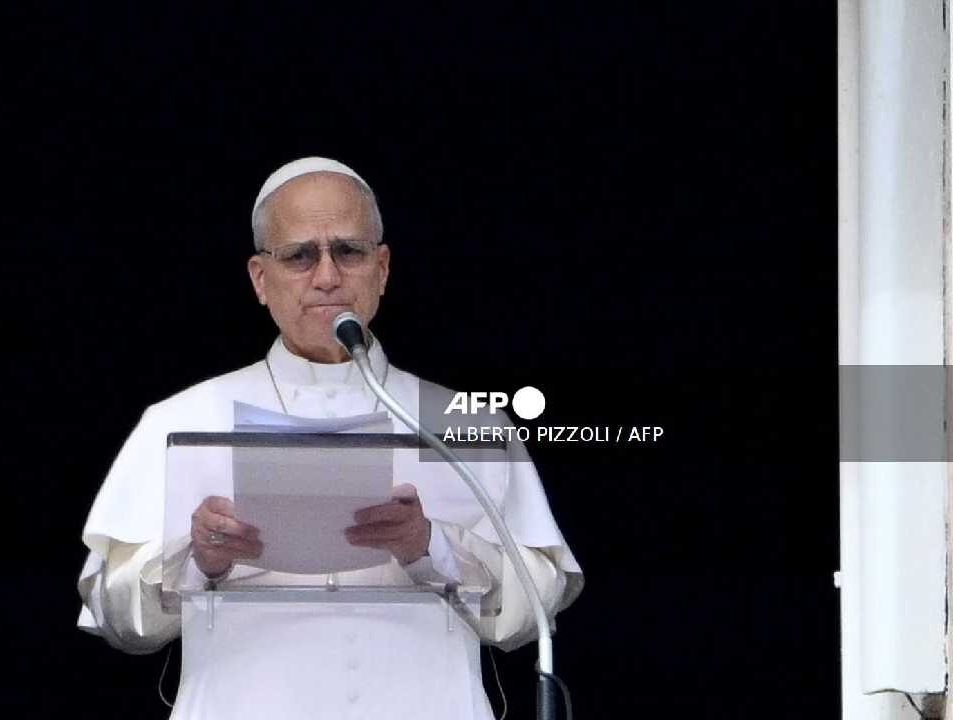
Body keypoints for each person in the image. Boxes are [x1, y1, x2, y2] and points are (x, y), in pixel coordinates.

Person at [76, 157, 583, 720]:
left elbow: (534, 612)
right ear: (259, 279)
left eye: (349, 251)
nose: (326, 276)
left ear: (382, 268)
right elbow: (115, 616)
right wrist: (197, 559)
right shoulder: (181, 420)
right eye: (299, 255)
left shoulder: (463, 424)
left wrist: (432, 547)